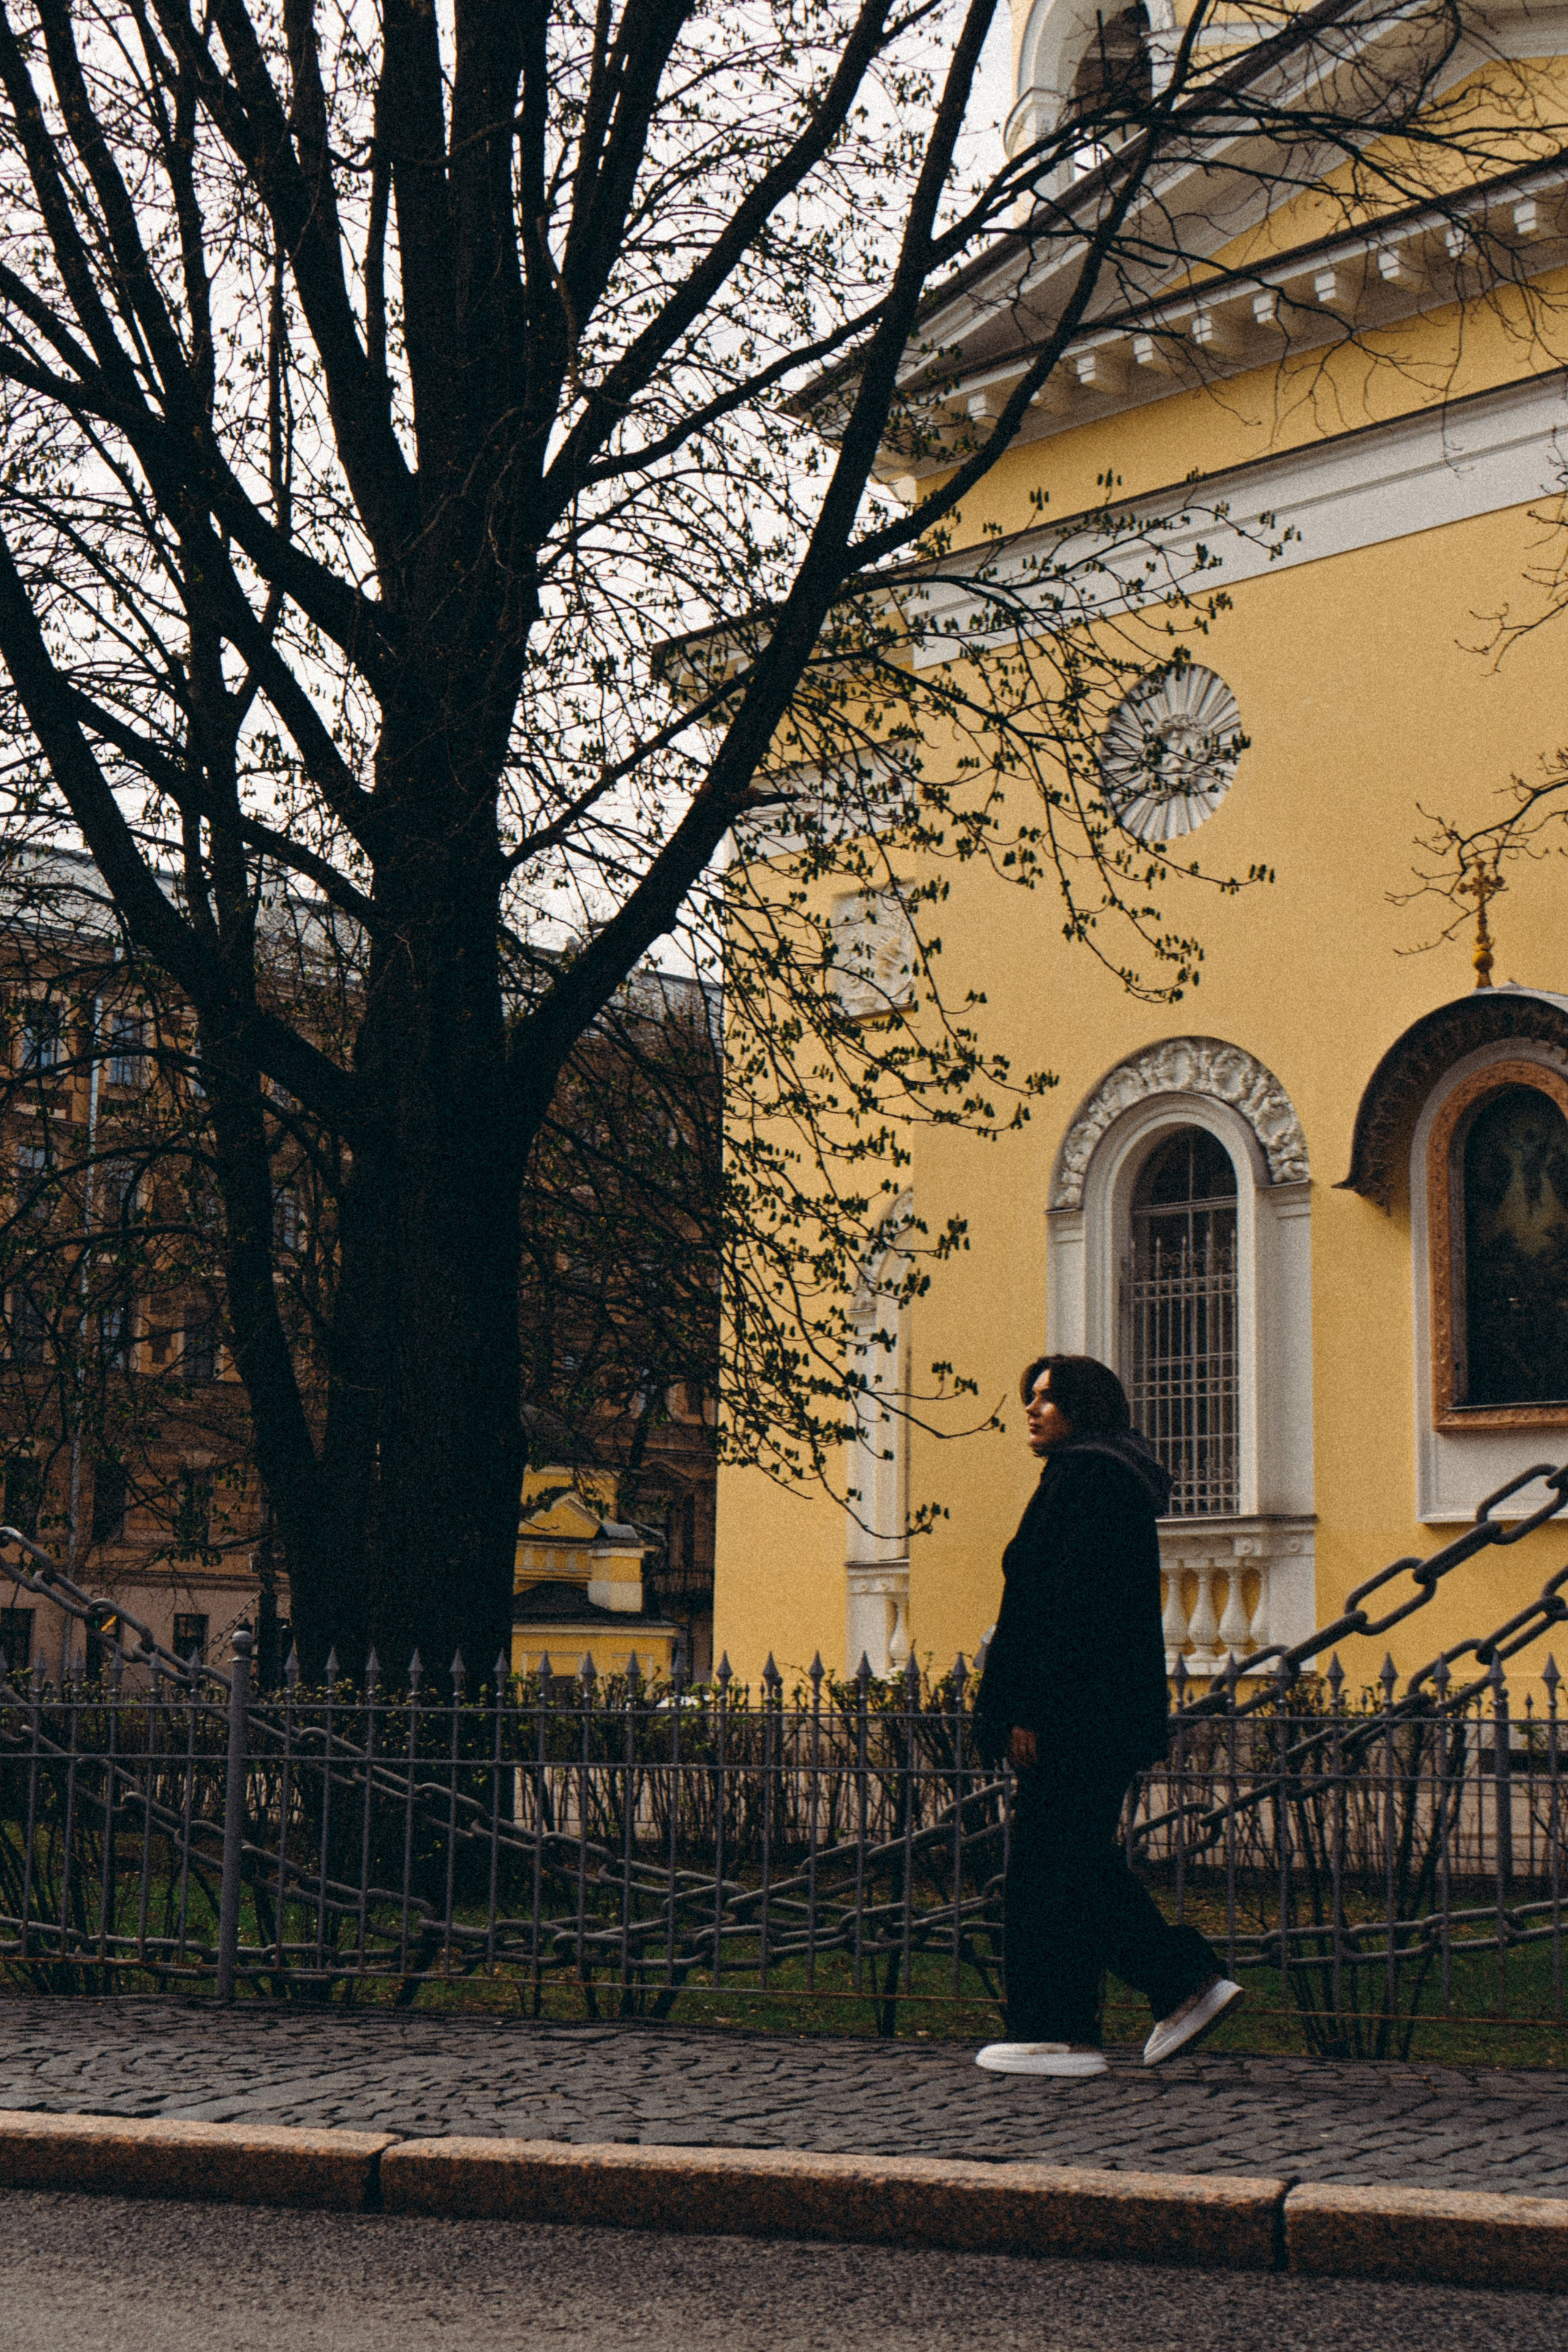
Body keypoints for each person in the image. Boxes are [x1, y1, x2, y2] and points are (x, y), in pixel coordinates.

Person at [971, 1352, 1243, 2078]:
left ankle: (1125, 2003)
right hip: (1095, 1713)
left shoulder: (1086, 1480)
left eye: (1048, 1399)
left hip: (1071, 1716)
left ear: (1084, 1410)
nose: (1031, 1410)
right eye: (1029, 1397)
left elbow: (1066, 1610)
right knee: (1065, 1864)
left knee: (1050, 1867)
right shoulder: (1103, 1477)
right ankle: (1078, 2024)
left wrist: (1031, 1708)